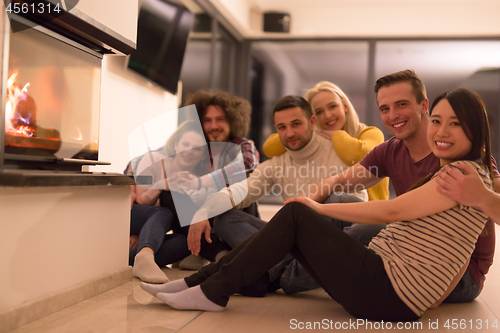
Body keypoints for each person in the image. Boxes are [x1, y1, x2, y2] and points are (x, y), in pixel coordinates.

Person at [141, 88, 493, 322]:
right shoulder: (461, 171)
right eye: (437, 122)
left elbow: (392, 211)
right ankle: (204, 282)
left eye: (455, 124)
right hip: (384, 279)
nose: (441, 131)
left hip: (388, 291)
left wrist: (318, 208)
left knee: (299, 212)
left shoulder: (461, 174)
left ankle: (213, 288)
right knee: (271, 216)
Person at [308, 69, 500, 303]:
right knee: (335, 199)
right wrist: (304, 206)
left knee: (362, 232)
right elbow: (338, 181)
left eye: (401, 105)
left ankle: (280, 276)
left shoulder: (465, 158)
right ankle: (282, 262)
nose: (393, 115)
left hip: (457, 273)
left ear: (423, 105)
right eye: (385, 109)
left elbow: (393, 211)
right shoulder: (391, 149)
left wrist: (484, 197)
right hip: (406, 248)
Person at [177, 95, 367, 295]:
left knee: (332, 203)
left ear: (311, 122)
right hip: (291, 245)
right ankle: (275, 274)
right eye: (282, 127)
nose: (289, 133)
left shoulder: (337, 153)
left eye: (296, 124)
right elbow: (242, 190)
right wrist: (204, 210)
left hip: (326, 245)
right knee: (225, 218)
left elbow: (356, 209)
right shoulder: (277, 164)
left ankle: (269, 274)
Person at [263, 81, 389, 201]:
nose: (328, 115)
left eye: (332, 106)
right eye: (319, 112)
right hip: (335, 215)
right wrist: (302, 130)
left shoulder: (371, 133)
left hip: (373, 217)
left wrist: (336, 134)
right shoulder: (320, 141)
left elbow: (360, 157)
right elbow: (269, 148)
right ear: (312, 119)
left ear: (345, 106)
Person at [176, 90, 261, 266]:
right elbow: (166, 159)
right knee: (172, 193)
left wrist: (204, 183)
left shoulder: (242, 145)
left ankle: (213, 253)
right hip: (205, 223)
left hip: (235, 219)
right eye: (207, 120)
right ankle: (214, 253)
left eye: (220, 119)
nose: (213, 126)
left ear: (232, 120)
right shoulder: (198, 149)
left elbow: (246, 166)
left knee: (241, 187)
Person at [127, 120, 211, 283]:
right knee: (164, 212)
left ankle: (131, 260)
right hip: (134, 217)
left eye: (197, 149)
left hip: (152, 232)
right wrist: (162, 185)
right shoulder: (153, 159)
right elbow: (140, 201)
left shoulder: (197, 185)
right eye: (185, 144)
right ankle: (143, 255)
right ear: (176, 145)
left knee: (184, 242)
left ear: (202, 156)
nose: (189, 151)